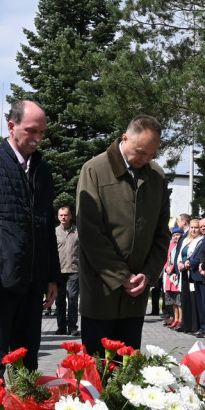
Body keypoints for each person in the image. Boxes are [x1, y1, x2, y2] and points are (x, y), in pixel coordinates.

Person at [0, 100, 59, 407]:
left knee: (27, 361)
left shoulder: (42, 171)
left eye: (42, 132)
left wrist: (52, 277)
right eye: (31, 130)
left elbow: (46, 228)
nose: (37, 138)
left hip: (31, 284)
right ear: (11, 126)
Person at [76, 115, 171, 355]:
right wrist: (121, 276)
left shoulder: (156, 175)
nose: (145, 159)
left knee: (127, 374)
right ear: (125, 138)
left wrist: (148, 275)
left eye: (151, 155)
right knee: (97, 371)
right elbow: (90, 233)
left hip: (136, 294)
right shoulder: (95, 169)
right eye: (140, 152)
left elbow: (161, 232)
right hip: (102, 292)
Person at [54, 206, 80, 336]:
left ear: (71, 216)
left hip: (74, 271)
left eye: (66, 215)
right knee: (59, 301)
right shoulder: (54, 232)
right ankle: (61, 327)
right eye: (61, 215)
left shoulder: (78, 232)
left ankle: (73, 327)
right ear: (58, 217)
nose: (63, 217)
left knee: (72, 299)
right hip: (58, 272)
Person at [189, 217, 205, 337]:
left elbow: (201, 256)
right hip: (196, 275)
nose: (202, 228)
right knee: (200, 304)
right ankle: (203, 326)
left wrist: (191, 263)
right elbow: (195, 253)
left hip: (203, 274)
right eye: (201, 226)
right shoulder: (202, 239)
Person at [177, 218, 201, 333]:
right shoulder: (186, 240)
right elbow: (179, 255)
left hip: (192, 272)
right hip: (184, 273)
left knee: (193, 299)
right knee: (185, 298)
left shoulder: (200, 240)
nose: (194, 230)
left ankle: (194, 326)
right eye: (192, 227)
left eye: (196, 227)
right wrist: (180, 264)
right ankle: (186, 324)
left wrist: (187, 265)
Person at [163, 226, 182, 328]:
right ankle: (175, 318)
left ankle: (180, 319)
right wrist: (166, 268)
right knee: (172, 299)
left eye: (178, 235)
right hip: (169, 275)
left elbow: (177, 259)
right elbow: (167, 258)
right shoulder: (171, 245)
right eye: (174, 235)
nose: (175, 237)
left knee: (178, 299)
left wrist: (172, 268)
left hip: (175, 274)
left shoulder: (181, 245)